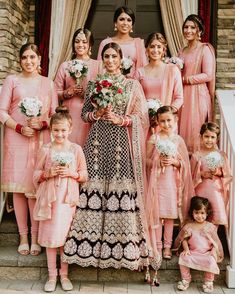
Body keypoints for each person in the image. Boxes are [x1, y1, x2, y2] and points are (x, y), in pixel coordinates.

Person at [63, 42, 161, 280]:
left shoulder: (131, 85)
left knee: (121, 190)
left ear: (121, 59)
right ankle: (90, 247)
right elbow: (84, 114)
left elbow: (141, 117)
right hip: (97, 142)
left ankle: (121, 249)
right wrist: (96, 114)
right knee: (93, 188)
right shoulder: (95, 84)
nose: (109, 60)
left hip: (120, 144)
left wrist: (122, 120)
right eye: (106, 56)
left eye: (113, 56)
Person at [0, 43, 57, 256]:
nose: (29, 61)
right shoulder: (12, 81)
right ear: (20, 60)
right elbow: (2, 111)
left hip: (40, 139)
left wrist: (41, 124)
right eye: (25, 57)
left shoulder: (47, 84)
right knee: (18, 189)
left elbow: (54, 114)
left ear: (40, 60)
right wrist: (19, 127)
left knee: (34, 189)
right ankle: (23, 236)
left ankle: (36, 236)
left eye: (33, 57)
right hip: (16, 138)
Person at [33, 106, 88, 292]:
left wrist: (72, 173)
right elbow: (36, 174)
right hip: (50, 200)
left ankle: (64, 274)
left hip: (67, 200)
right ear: (51, 130)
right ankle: (51, 275)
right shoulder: (46, 149)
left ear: (70, 130)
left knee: (64, 237)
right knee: (51, 237)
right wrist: (48, 173)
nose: (59, 134)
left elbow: (84, 175)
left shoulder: (75, 149)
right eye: (56, 130)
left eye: (63, 130)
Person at [146, 106, 194, 260]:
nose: (166, 124)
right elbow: (145, 160)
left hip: (172, 183)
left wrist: (175, 162)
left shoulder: (178, 140)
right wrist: (157, 162)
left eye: (169, 120)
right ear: (157, 122)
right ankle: (157, 246)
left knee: (169, 215)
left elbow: (185, 163)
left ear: (175, 120)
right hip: (157, 182)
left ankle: (167, 246)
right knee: (158, 214)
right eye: (162, 121)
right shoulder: (154, 139)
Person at [54, 28, 101, 146]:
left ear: (90, 45)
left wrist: (86, 93)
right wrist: (67, 92)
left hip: (90, 114)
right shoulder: (65, 66)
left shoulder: (98, 65)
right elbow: (55, 92)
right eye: (77, 41)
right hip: (69, 113)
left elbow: (103, 92)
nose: (80, 44)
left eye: (84, 42)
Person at [178, 14, 216, 154]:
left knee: (195, 129)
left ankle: (197, 169)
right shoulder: (182, 50)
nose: (188, 30)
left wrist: (187, 79)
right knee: (182, 129)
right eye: (186, 27)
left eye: (192, 27)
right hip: (183, 95)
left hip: (198, 95)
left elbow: (208, 75)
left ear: (199, 31)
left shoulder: (204, 49)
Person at [174, 196, 224, 293]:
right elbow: (184, 240)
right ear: (192, 213)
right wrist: (186, 250)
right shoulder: (189, 226)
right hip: (193, 253)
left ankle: (208, 282)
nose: (199, 216)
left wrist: (213, 253)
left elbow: (215, 242)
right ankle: (186, 280)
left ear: (207, 213)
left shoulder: (210, 227)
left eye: (202, 213)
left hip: (206, 254)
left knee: (211, 260)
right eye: (196, 213)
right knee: (183, 257)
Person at [190, 122, 232, 227]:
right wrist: (201, 174)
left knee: (215, 215)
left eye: (212, 137)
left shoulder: (221, 155)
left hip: (215, 190)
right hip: (201, 189)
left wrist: (216, 172)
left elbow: (227, 174)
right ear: (201, 137)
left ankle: (213, 240)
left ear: (217, 138)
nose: (209, 140)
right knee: (202, 214)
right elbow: (190, 176)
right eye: (206, 136)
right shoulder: (197, 155)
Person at [134, 32, 183, 111]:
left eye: (159, 47)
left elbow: (179, 98)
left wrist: (168, 113)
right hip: (144, 118)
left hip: (166, 120)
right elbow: (134, 99)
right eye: (152, 47)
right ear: (147, 49)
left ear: (163, 50)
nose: (155, 50)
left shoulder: (173, 70)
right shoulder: (139, 72)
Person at [97, 6, 147, 77]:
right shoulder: (106, 43)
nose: (125, 23)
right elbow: (100, 69)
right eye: (122, 19)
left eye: (129, 20)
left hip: (133, 84)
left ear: (132, 24)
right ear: (115, 22)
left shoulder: (138, 43)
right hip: (110, 84)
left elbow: (144, 69)